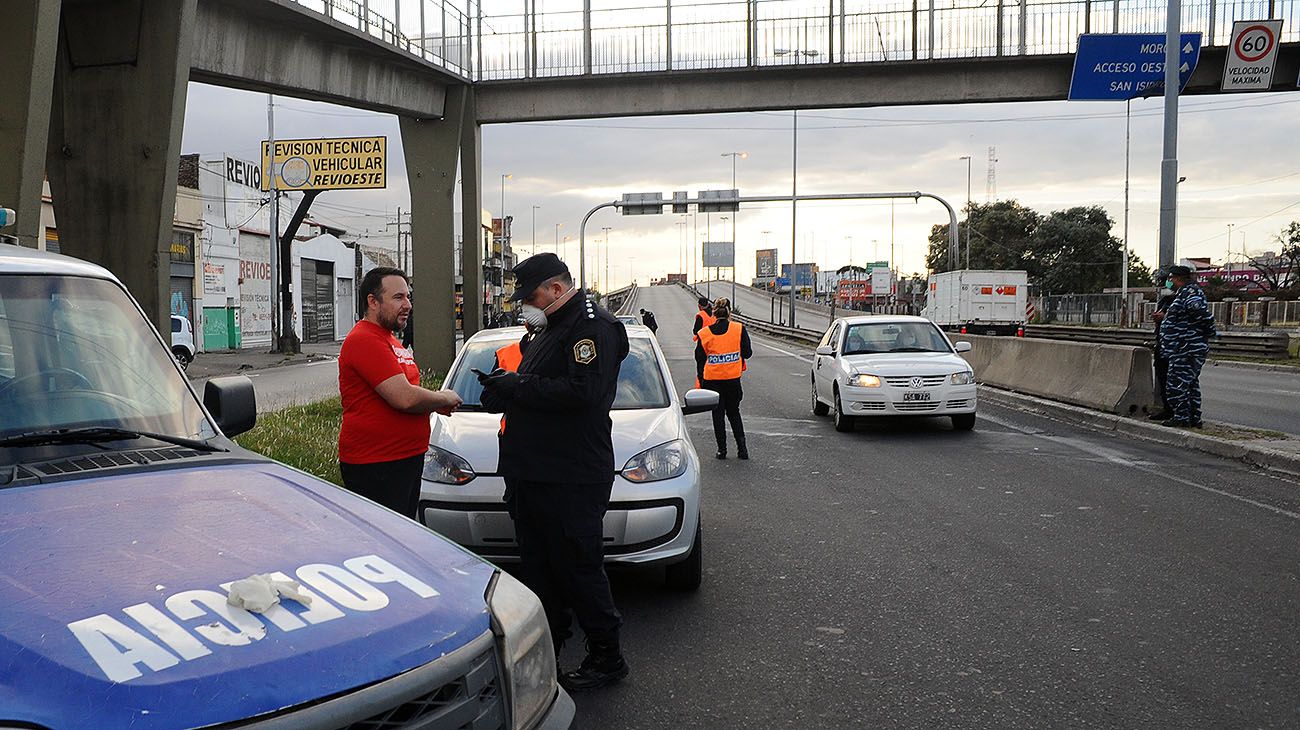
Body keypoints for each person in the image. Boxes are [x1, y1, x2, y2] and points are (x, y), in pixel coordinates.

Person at [476, 252, 631, 691]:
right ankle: (549, 650)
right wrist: (503, 392)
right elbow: (539, 386)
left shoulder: (591, 327)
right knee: (541, 569)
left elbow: (584, 391)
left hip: (571, 474)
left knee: (579, 568)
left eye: (530, 295)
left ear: (556, 289)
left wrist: (518, 387)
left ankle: (606, 655)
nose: (525, 304)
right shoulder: (549, 329)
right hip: (534, 472)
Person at [338, 267, 462, 517]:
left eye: (408, 297)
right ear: (373, 302)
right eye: (398, 298)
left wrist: (430, 403)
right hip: (378, 463)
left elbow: (406, 391)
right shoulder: (365, 339)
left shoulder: (389, 339)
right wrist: (443, 398)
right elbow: (403, 397)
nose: (407, 305)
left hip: (403, 459)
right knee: (387, 542)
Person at [1154, 265, 1215, 428]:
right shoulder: (1184, 293)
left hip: (1186, 348)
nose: (1169, 282)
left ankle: (1182, 418)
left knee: (1176, 384)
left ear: (1179, 278)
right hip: (1183, 347)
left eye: (1171, 278)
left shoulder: (1190, 293)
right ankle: (1193, 418)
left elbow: (1203, 315)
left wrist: (1206, 334)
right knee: (1189, 384)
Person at [695, 297, 752, 460]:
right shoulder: (738, 329)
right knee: (734, 413)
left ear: (713, 313)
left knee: (717, 415)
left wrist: (701, 380)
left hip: (712, 381)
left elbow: (699, 358)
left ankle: (722, 450)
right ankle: (742, 450)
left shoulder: (704, 334)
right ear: (729, 313)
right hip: (733, 380)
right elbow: (747, 352)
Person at [1147, 269, 1176, 421]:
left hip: (1176, 346)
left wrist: (1166, 317)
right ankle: (1167, 409)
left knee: (1176, 381)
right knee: (1163, 377)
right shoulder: (1164, 299)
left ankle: (1178, 413)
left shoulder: (1184, 297)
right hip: (1163, 342)